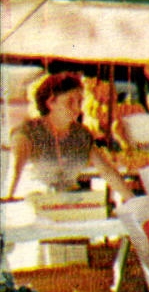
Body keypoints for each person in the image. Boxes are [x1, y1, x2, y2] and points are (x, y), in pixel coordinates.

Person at [5, 72, 132, 203]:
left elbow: (107, 171)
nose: (77, 108)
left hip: (68, 205)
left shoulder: (81, 134)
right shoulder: (27, 132)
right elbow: (15, 170)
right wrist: (7, 200)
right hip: (31, 206)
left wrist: (134, 202)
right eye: (70, 102)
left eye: (79, 101)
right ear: (50, 102)